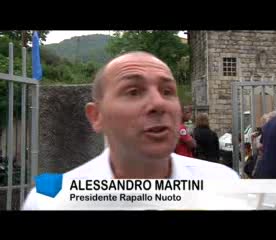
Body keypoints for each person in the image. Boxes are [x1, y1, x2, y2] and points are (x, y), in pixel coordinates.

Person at [22, 51, 239, 210]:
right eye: (133, 91)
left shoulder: (224, 185)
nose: (158, 103)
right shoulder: (49, 201)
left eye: (167, 91)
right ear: (96, 116)